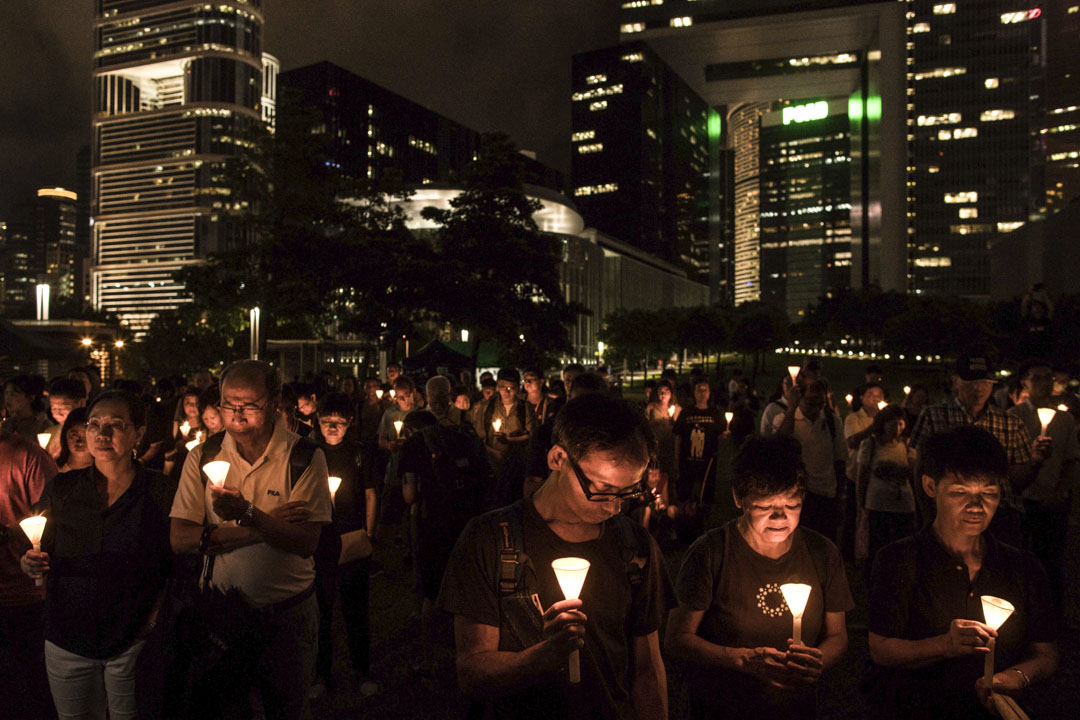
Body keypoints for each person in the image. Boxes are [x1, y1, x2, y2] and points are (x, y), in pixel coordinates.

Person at [438, 393, 671, 720]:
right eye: (602, 489)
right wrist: (544, 656)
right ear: (558, 458)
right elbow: (472, 672)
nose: (614, 507)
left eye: (628, 492)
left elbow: (647, 668)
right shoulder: (489, 539)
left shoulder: (635, 547)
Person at [169, 360, 332, 720]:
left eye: (250, 404)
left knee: (286, 709)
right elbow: (181, 538)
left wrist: (244, 513)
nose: (237, 413)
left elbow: (306, 542)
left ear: (274, 402)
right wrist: (263, 524)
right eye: (229, 403)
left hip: (287, 614)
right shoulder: (204, 457)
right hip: (222, 612)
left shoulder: (304, 457)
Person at [868, 426, 1058, 719]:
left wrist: (1017, 677)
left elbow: (1046, 653)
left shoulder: (1023, 567)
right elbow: (880, 649)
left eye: (989, 493)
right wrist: (944, 644)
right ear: (931, 487)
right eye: (960, 492)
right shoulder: (899, 559)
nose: (976, 506)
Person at [666, 435, 852, 718]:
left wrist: (816, 662)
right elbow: (677, 638)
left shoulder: (822, 553)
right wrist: (741, 659)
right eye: (766, 507)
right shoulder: (711, 553)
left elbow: (837, 634)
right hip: (723, 706)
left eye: (792, 505)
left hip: (796, 708)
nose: (780, 517)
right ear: (738, 498)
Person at [20, 390, 174, 720]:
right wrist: (29, 559)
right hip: (67, 633)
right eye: (94, 424)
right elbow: (37, 543)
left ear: (138, 432)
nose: (102, 434)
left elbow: (173, 563)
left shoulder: (160, 491)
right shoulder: (63, 488)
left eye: (115, 424)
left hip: (133, 636)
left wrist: (154, 618)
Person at [401, 376, 492, 677]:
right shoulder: (466, 433)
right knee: (467, 585)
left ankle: (428, 653)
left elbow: (410, 494)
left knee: (430, 589)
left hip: (431, 523)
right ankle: (470, 651)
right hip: (466, 520)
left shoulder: (414, 442)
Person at [908, 355, 1041, 546]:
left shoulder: (1010, 423)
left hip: (999, 516)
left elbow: (1018, 481)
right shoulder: (934, 416)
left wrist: (1036, 462)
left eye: (985, 382)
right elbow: (920, 469)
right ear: (956, 381)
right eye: (972, 381)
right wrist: (927, 517)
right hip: (949, 514)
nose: (979, 388)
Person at [312, 391, 378, 698]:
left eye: (339, 422)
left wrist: (369, 533)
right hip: (319, 542)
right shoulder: (310, 453)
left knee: (356, 610)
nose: (332, 428)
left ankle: (362, 671)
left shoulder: (358, 453)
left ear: (349, 423)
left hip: (352, 539)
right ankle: (320, 675)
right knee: (320, 612)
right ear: (318, 422)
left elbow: (369, 493)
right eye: (327, 422)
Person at [1006, 359, 1079, 607]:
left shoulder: (1064, 420)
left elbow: (1071, 460)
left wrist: (1060, 492)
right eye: (1037, 378)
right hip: (1020, 500)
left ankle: (1052, 615)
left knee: (1052, 561)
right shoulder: (1014, 417)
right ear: (1024, 383)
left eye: (1048, 377)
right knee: (1019, 558)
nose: (1045, 383)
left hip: (1053, 500)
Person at [1, 423, 59, 720]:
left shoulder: (29, 458)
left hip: (25, 595)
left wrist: (9, 533)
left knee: (31, 689)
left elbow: (53, 520)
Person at [774, 378, 847, 543]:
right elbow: (779, 445)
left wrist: (840, 496)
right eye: (810, 403)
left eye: (820, 404)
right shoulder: (784, 419)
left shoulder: (832, 421)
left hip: (827, 494)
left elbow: (840, 460)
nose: (815, 409)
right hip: (797, 496)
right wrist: (791, 408)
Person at [855, 405, 916, 564]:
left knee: (902, 548)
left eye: (900, 424)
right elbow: (862, 476)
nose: (897, 429)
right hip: (878, 505)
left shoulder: (906, 445)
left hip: (903, 505)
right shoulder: (871, 444)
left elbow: (913, 473)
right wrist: (861, 504)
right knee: (878, 547)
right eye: (892, 424)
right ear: (883, 424)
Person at [473, 368, 535, 508]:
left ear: (518, 388)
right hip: (492, 467)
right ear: (497, 386)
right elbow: (479, 437)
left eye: (511, 388)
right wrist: (495, 452)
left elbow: (532, 435)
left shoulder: (525, 408)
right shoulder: (486, 407)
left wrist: (510, 441)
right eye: (502, 387)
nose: (507, 392)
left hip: (517, 466)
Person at [673, 379, 724, 507]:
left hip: (708, 461)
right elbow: (678, 436)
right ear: (694, 393)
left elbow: (720, 434)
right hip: (687, 460)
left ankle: (704, 515)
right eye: (699, 390)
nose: (702, 393)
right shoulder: (686, 413)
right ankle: (685, 515)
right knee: (685, 492)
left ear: (709, 393)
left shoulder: (715, 414)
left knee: (706, 493)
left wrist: (724, 435)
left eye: (705, 390)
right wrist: (676, 458)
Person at [645, 380, 681, 502]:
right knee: (656, 472)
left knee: (670, 473)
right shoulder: (651, 407)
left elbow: (680, 429)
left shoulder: (676, 409)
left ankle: (670, 502)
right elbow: (645, 426)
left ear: (671, 393)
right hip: (655, 446)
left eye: (666, 392)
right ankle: (655, 501)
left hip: (670, 445)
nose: (663, 395)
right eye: (660, 392)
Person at [43, 378, 87, 459]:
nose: (58, 414)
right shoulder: (49, 433)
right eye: (54, 409)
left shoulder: (88, 433)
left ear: (81, 403)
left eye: (63, 408)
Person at [2, 375, 51, 441]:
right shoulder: (6, 425)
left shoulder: (43, 425)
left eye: (13, 394)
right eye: (6, 393)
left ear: (30, 398)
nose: (8, 398)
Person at [55, 407, 92, 473]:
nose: (80, 442)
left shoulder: (103, 469)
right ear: (65, 435)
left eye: (86, 436)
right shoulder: (54, 468)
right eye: (74, 435)